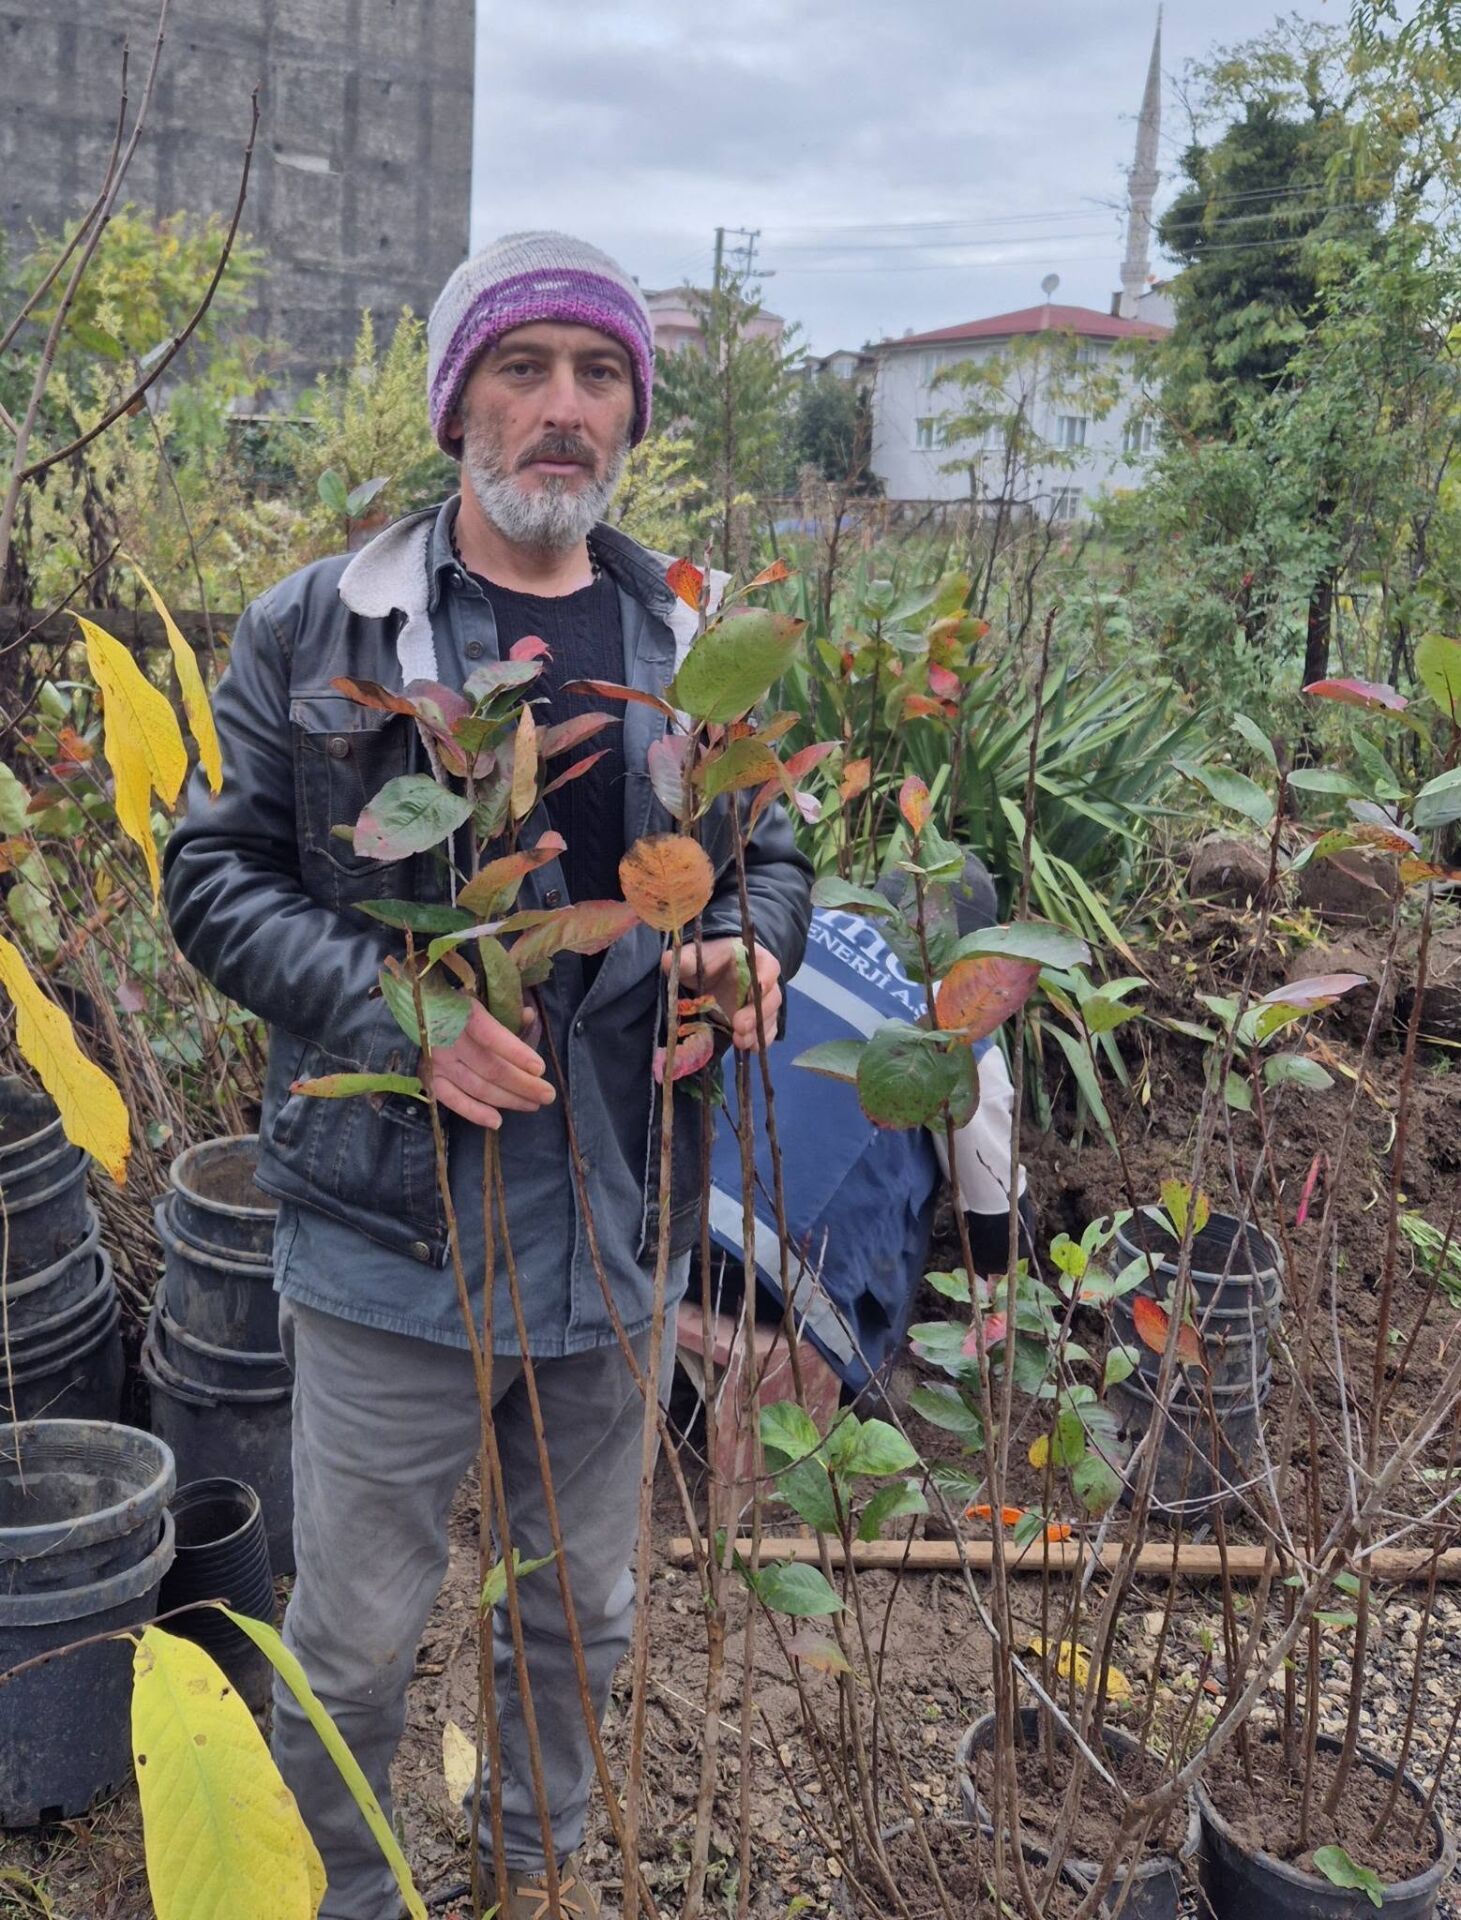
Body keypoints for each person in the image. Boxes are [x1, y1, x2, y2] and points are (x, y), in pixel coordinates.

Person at [164, 230, 812, 1920]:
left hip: (618, 1218)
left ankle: (532, 1876)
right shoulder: (325, 626)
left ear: (633, 418)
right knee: (354, 1629)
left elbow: (770, 857)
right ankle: (341, 1893)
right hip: (394, 1234)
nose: (561, 408)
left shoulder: (694, 640)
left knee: (577, 1611)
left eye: (599, 376)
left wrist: (750, 947)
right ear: (458, 404)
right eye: (523, 369)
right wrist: (405, 1017)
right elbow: (215, 875)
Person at [704, 857, 1031, 1397]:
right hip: (776, 1283)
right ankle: (871, 1386)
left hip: (665, 1219)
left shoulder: (792, 925)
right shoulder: (961, 1027)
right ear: (977, 953)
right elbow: (1000, 1222)